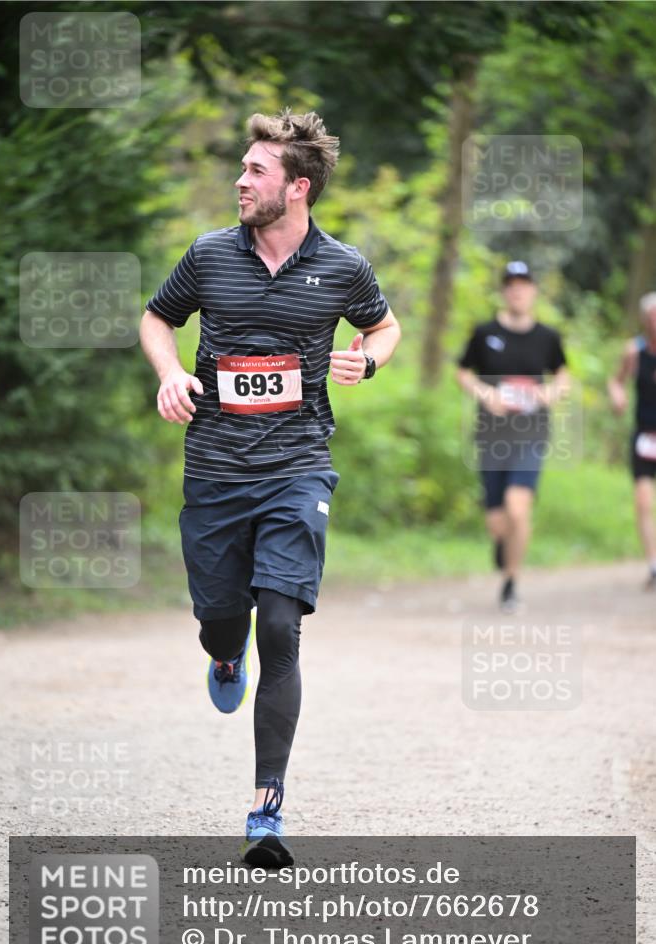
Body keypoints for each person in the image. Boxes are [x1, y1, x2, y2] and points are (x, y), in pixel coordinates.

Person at [139, 109, 401, 866]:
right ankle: (224, 656)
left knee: (281, 624)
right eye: (243, 168)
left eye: (254, 171)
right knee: (225, 619)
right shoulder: (211, 254)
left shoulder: (343, 267)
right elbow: (157, 319)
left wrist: (367, 360)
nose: (239, 179)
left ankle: (266, 809)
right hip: (216, 471)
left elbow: (383, 327)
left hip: (297, 465)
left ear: (297, 188)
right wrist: (172, 372)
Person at [456, 261, 570, 612]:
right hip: (491, 434)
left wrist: (553, 392)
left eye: (523, 284)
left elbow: (563, 374)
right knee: (497, 520)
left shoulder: (547, 337)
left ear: (533, 290)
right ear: (504, 291)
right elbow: (462, 372)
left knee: (518, 509)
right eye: (511, 285)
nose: (517, 290)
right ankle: (504, 547)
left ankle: (510, 583)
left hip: (530, 434)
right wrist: (484, 393)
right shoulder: (484, 332)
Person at [608, 291, 656, 590]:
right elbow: (616, 380)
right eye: (652, 317)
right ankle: (653, 564)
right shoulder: (634, 351)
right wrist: (618, 395)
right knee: (642, 501)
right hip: (645, 436)